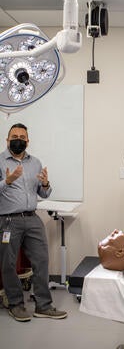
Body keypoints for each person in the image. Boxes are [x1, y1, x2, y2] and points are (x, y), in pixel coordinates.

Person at [0, 123, 67, 322]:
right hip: (8, 221)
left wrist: (45, 183)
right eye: (14, 136)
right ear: (7, 139)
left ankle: (43, 306)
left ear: (28, 141)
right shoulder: (0, 161)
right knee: (8, 264)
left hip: (33, 219)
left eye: (22, 136)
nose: (18, 139)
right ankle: (16, 305)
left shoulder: (35, 162)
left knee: (42, 261)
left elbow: (43, 193)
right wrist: (8, 180)